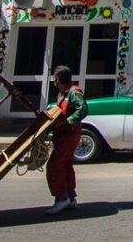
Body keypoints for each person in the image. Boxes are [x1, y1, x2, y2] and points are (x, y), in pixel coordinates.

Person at [46, 65, 88, 215]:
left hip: (69, 135)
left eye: (54, 79)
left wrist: (67, 122)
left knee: (54, 165)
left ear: (58, 79)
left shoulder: (73, 92)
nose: (54, 82)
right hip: (62, 135)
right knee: (66, 164)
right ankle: (70, 197)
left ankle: (61, 198)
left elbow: (82, 109)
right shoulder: (62, 93)